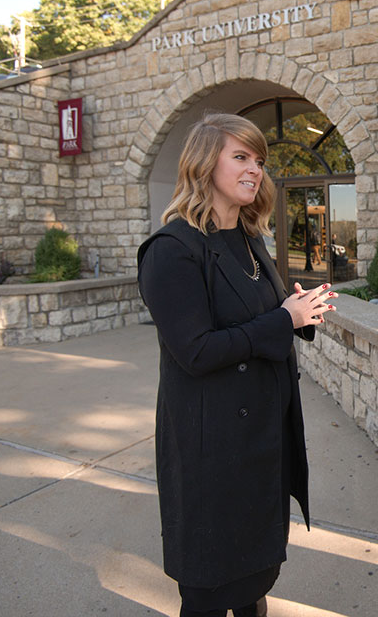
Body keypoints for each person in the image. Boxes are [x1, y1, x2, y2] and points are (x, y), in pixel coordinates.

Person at [137, 113, 337, 617]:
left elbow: (265, 319)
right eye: (241, 157)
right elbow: (197, 351)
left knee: (253, 584)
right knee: (209, 591)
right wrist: (281, 321)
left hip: (261, 444)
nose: (255, 169)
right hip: (213, 452)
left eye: (260, 161)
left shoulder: (251, 241)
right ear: (205, 164)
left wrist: (300, 313)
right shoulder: (171, 251)